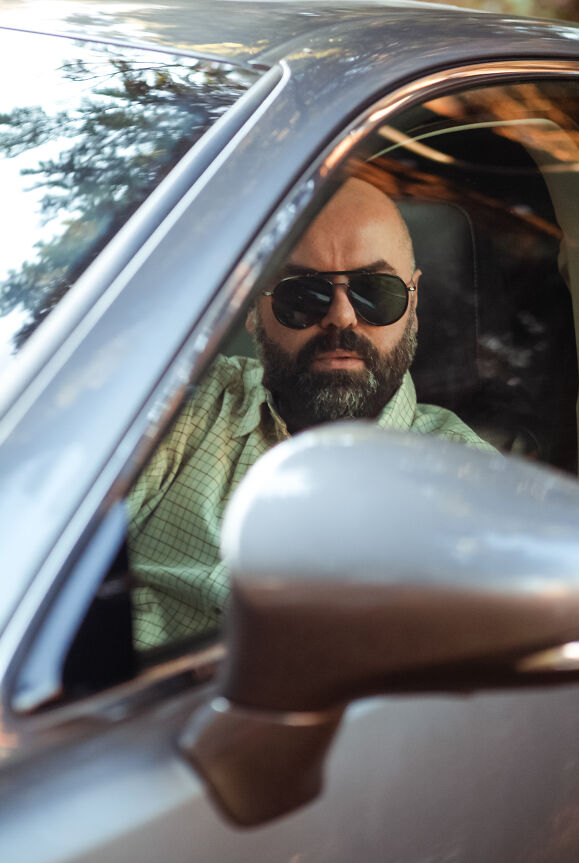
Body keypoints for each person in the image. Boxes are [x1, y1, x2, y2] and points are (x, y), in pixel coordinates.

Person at [128, 179, 492, 649]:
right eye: (302, 295)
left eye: (374, 292)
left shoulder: (466, 481)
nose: (341, 317)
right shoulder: (192, 403)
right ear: (253, 307)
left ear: (413, 302)